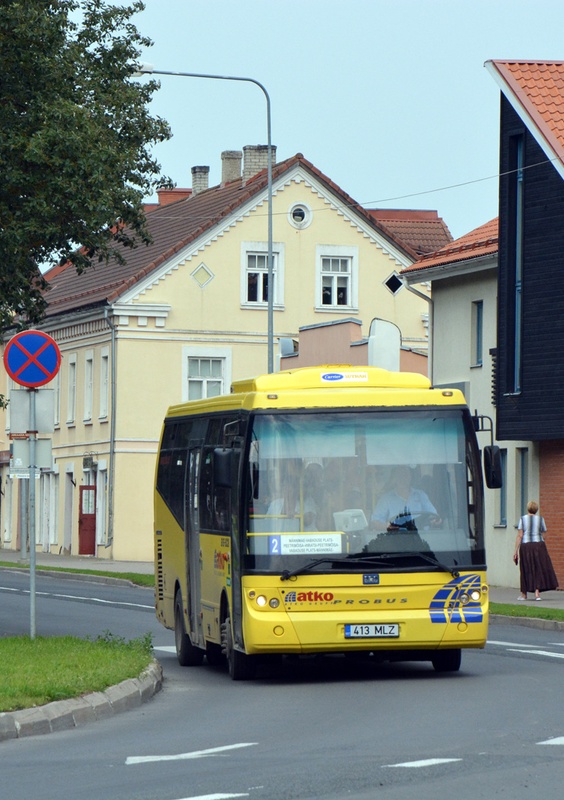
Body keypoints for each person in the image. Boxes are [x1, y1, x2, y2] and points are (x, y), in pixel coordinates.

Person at [370, 465, 440, 531]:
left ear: (410, 477)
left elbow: (433, 515)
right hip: (396, 540)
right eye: (399, 475)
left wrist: (436, 520)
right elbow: (375, 522)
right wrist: (391, 527)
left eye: (405, 475)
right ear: (394, 479)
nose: (403, 478)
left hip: (422, 538)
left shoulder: (420, 495)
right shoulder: (386, 499)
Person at [514, 501, 558, 601]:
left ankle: (524, 594)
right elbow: (544, 534)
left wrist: (515, 551)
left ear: (528, 508)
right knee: (538, 568)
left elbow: (520, 535)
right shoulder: (541, 519)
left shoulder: (522, 519)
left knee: (525, 568)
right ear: (536, 509)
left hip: (526, 546)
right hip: (539, 545)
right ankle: (537, 593)